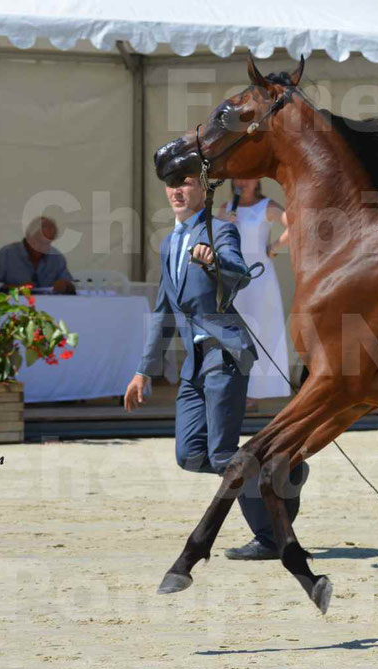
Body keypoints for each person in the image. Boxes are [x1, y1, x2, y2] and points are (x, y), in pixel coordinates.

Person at [124, 176, 308, 561]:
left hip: (224, 354)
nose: (177, 191)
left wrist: (215, 264)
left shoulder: (221, 229)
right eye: (171, 184)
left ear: (203, 192)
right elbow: (162, 312)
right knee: (189, 454)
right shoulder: (169, 243)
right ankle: (280, 471)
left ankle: (271, 536)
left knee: (225, 455)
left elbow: (241, 274)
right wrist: (143, 371)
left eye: (186, 184)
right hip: (194, 364)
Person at [218, 179, 292, 406]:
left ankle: (257, 391)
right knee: (232, 332)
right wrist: (223, 225)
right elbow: (211, 239)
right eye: (238, 177)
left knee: (261, 331)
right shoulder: (226, 207)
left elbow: (296, 225)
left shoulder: (265, 206)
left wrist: (274, 247)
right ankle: (234, 386)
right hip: (233, 279)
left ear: (257, 181)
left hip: (260, 279)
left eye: (247, 177)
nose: (242, 182)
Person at [0, 216, 76, 294]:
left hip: (50, 308)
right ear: (29, 237)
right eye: (41, 241)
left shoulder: (56, 258)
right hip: (14, 307)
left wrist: (66, 286)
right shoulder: (6, 255)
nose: (44, 247)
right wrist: (14, 289)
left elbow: (73, 285)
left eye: (49, 242)